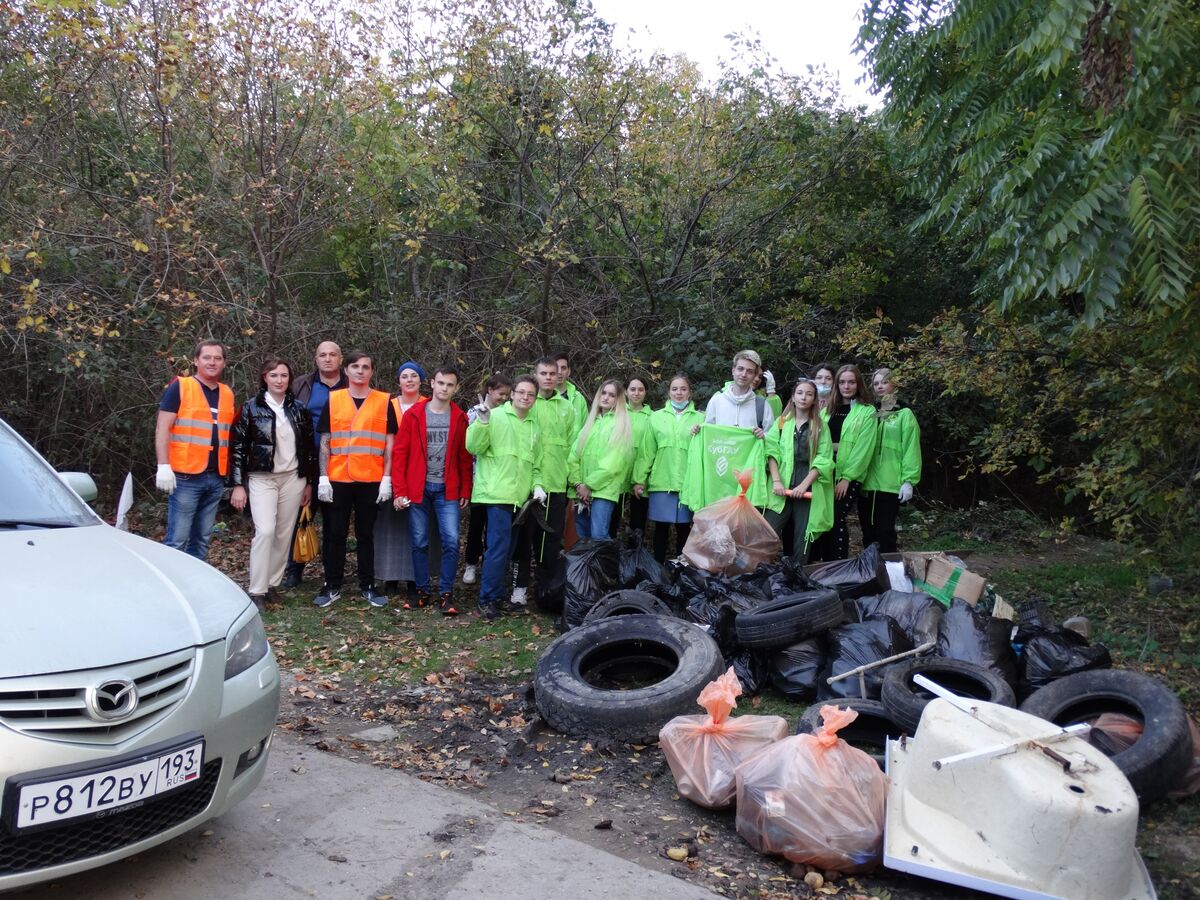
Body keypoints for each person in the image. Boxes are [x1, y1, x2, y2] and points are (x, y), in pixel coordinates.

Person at [229, 358, 316, 607]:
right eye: (274, 375)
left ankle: (271, 585)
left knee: (283, 533)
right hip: (262, 478)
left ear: (290, 379)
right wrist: (237, 484)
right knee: (265, 530)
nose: (280, 380)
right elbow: (237, 448)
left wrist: (309, 481)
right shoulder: (250, 408)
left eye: (284, 375)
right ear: (265, 377)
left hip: (293, 478)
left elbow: (308, 448)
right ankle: (256, 589)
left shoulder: (299, 408)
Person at [313, 351, 397, 608]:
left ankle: (368, 585)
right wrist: (323, 477)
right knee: (334, 534)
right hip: (338, 478)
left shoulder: (384, 401)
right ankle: (332, 585)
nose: (360, 371)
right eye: (355, 366)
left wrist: (387, 477)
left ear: (371, 371)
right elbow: (325, 441)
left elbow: (389, 445)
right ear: (346, 370)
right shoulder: (334, 399)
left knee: (366, 535)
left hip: (371, 479)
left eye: (366, 367)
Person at [392, 364, 472, 616]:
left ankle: (446, 594)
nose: (444, 388)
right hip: (418, 489)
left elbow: (464, 457)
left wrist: (465, 490)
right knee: (419, 541)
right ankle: (422, 590)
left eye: (450, 384)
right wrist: (399, 490)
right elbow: (400, 454)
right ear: (432, 384)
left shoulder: (460, 418)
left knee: (451, 541)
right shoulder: (415, 414)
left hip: (447, 490)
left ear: (456, 388)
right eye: (441, 383)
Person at [466, 374, 541, 621]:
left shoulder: (533, 426)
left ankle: (496, 596)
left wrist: (538, 485)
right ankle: (486, 601)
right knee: (498, 549)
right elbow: (473, 447)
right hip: (496, 494)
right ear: (513, 393)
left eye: (531, 394)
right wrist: (482, 423)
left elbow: (536, 463)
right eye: (521, 392)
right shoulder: (494, 415)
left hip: (520, 498)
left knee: (506, 550)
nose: (525, 397)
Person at [154, 339, 235, 561]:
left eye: (217, 358)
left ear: (224, 363)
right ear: (196, 360)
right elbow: (163, 427)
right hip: (185, 477)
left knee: (202, 539)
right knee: (177, 540)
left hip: (215, 477)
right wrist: (163, 465)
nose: (212, 362)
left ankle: (195, 587)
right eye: (207, 357)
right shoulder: (181, 386)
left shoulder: (227, 393)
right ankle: (171, 590)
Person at [510, 355, 576, 610]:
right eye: (544, 373)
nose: (549, 377)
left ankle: (546, 591)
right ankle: (519, 590)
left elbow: (573, 448)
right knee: (524, 541)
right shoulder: (527, 403)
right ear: (535, 375)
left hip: (557, 485)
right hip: (527, 486)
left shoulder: (567, 408)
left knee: (550, 543)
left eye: (553, 373)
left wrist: (571, 484)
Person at [282, 340, 346, 587]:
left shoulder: (351, 385)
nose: (327, 359)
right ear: (316, 359)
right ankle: (294, 569)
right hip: (306, 462)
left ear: (340, 359)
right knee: (300, 516)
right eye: (322, 355)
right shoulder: (300, 385)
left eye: (332, 355)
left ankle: (332, 574)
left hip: (340, 464)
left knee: (334, 522)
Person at [633, 374, 704, 562]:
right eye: (674, 389)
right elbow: (646, 452)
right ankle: (658, 568)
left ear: (690, 392)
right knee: (661, 528)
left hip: (688, 483)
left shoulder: (701, 419)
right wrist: (639, 479)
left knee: (684, 528)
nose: (679, 393)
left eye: (683, 389)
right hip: (661, 481)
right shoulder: (655, 418)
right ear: (668, 392)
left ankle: (681, 569)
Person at [812, 363, 878, 561]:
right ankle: (819, 566)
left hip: (847, 475)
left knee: (837, 518)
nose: (846, 386)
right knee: (822, 518)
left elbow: (863, 450)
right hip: (824, 472)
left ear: (858, 384)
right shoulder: (826, 411)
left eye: (851, 382)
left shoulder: (867, 412)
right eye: (842, 382)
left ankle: (837, 564)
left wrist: (847, 478)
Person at [373, 361, 427, 603]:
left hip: (421, 471)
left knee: (418, 528)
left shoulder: (428, 404)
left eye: (414, 376)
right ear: (398, 381)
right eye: (404, 376)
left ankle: (416, 579)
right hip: (390, 469)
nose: (409, 380)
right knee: (391, 526)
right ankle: (390, 576)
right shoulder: (389, 405)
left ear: (421, 380)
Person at [764, 379, 834, 561]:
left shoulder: (820, 426)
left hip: (808, 488)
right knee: (767, 531)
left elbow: (824, 459)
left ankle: (798, 577)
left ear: (814, 399)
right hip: (781, 486)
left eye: (809, 394)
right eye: (800, 393)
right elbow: (770, 451)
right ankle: (758, 571)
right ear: (793, 397)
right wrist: (777, 481)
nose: (804, 397)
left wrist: (803, 486)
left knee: (803, 538)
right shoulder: (781, 423)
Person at [860, 367, 922, 552]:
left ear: (893, 384)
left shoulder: (904, 414)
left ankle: (890, 574)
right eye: (876, 383)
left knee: (886, 532)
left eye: (884, 382)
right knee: (868, 533)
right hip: (867, 483)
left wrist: (908, 480)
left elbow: (911, 448)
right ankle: (870, 575)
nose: (880, 386)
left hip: (890, 484)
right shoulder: (870, 414)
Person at [462, 374, 512, 586]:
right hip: (478, 479)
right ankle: (471, 564)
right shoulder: (474, 412)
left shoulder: (509, 413)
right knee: (476, 524)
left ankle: (492, 566)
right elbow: (470, 445)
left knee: (495, 528)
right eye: (501, 394)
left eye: (507, 395)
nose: (504, 398)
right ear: (489, 390)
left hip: (500, 479)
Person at [570, 379, 635, 540]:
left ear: (618, 399)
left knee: (598, 535)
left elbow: (612, 464)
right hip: (581, 490)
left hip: (604, 491)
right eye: (603, 393)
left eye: (611, 395)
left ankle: (605, 566)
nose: (606, 397)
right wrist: (578, 484)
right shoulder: (591, 423)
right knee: (583, 535)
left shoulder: (621, 425)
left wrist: (589, 485)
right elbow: (574, 456)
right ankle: (587, 566)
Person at [623, 375, 653, 539]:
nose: (636, 393)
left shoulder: (652, 417)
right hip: (619, 472)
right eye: (632, 389)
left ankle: (635, 554)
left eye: (640, 389)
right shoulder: (618, 412)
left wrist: (642, 477)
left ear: (645, 393)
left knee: (638, 519)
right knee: (614, 515)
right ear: (626, 392)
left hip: (641, 475)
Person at [555, 351, 589, 429]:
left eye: (563, 368)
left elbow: (586, 429)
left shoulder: (578, 398)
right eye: (556, 368)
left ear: (569, 371)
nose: (559, 372)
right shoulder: (540, 398)